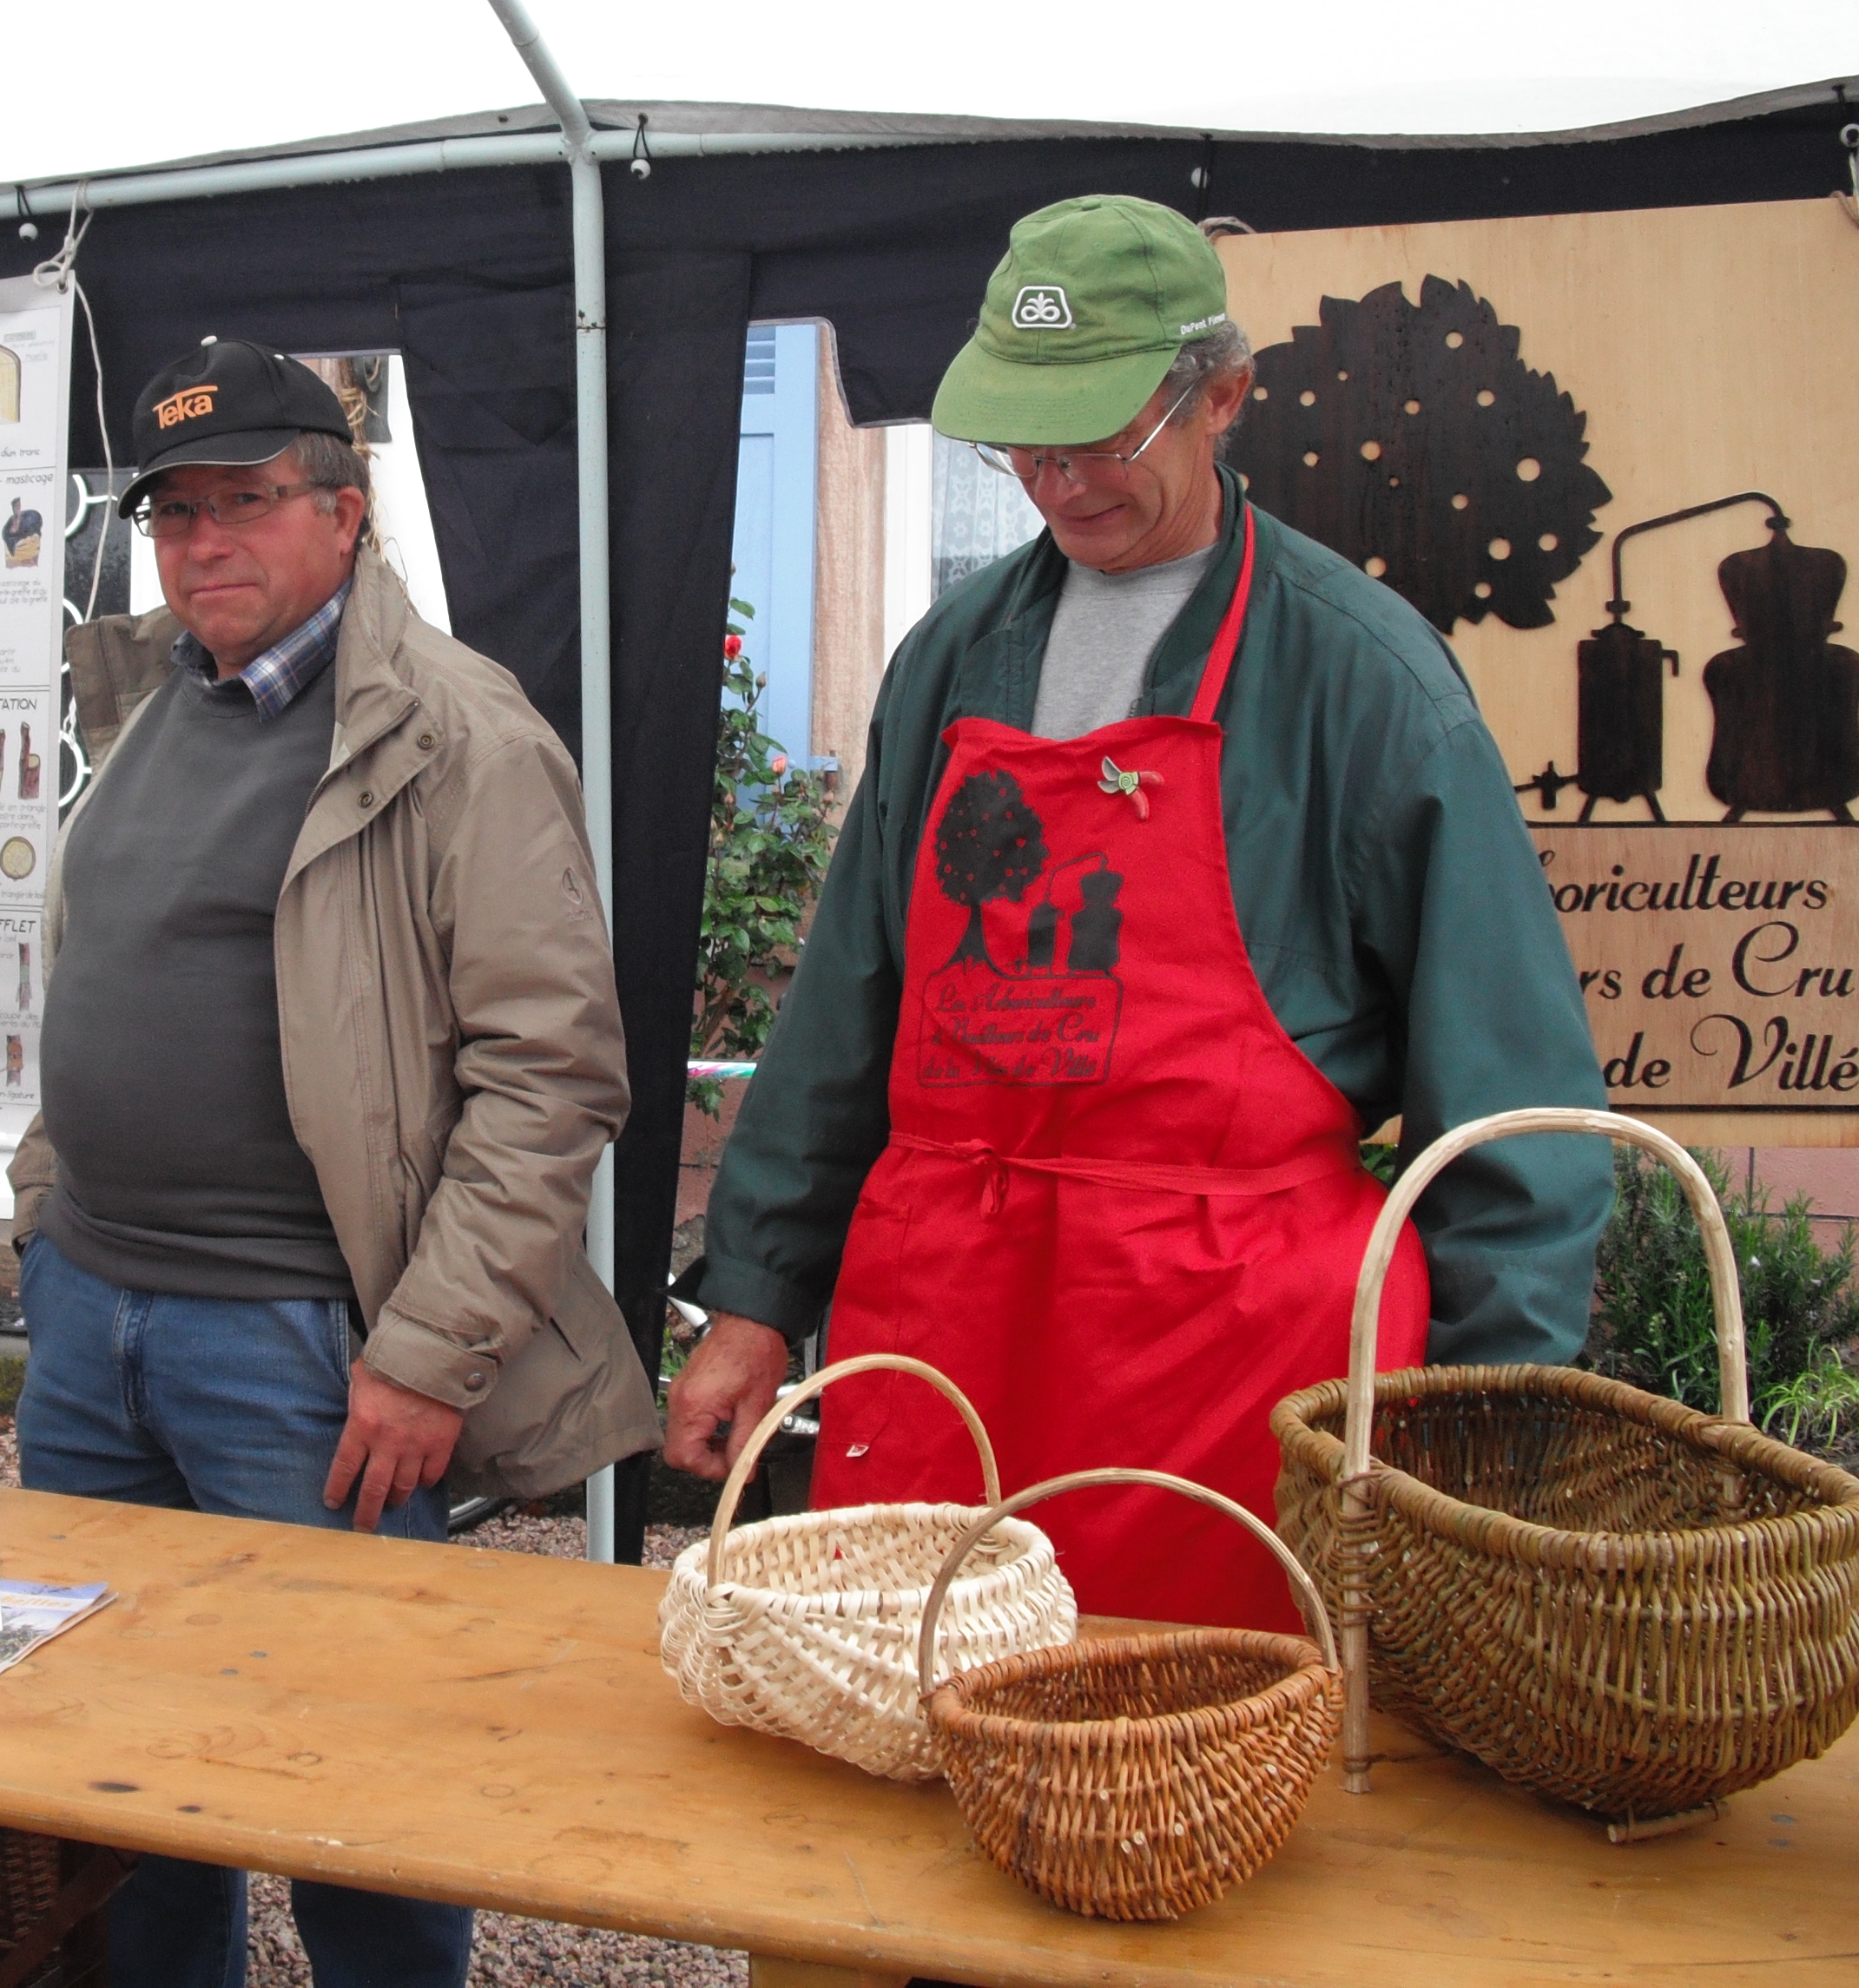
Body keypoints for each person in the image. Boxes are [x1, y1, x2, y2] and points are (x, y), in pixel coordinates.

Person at [665, 195, 1614, 1631]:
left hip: (1223, 1348)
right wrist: (755, 1300)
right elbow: (849, 1006)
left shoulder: (1365, 679)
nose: (1058, 483)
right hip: (948, 1320)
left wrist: (1494, 1418)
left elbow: (1512, 1097)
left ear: (1222, 395)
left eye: (1100, 435)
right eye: (1024, 442)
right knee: (907, 1699)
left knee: (1205, 1728)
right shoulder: (955, 654)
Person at [16, 340, 659, 1988]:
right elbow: (93, 967)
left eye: (244, 502)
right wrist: (43, 1224)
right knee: (117, 1751)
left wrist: (428, 1354)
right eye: (174, 513)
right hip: (93, 1316)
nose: (203, 542)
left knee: (353, 1764)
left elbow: (552, 1074)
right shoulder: (153, 698)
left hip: (300, 1349)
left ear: (346, 511)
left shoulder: (457, 733)